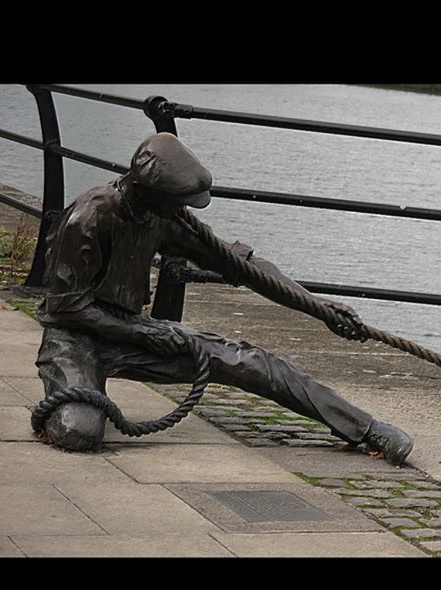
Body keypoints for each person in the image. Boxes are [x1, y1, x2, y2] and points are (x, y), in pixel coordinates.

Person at [35, 132, 414, 465]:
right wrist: (146, 335)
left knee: (253, 362)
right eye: (179, 201)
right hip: (75, 338)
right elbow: (66, 308)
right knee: (80, 431)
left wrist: (318, 308)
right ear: (151, 191)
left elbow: (241, 265)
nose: (186, 210)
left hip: (132, 332)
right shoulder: (90, 217)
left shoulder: (164, 217)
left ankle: (364, 428)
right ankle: (77, 393)